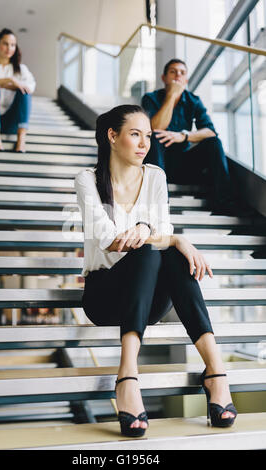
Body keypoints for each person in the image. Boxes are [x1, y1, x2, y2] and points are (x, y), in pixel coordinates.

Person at [74, 104, 237, 438]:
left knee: (171, 255)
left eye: (147, 136)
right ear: (112, 136)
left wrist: (168, 237)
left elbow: (162, 229)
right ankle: (128, 373)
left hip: (149, 301)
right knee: (157, 250)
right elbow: (108, 238)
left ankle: (215, 369)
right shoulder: (88, 181)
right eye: (135, 134)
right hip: (105, 296)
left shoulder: (156, 177)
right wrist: (167, 237)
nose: (144, 143)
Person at [141, 58, 235, 214]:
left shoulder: (193, 100)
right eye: (173, 72)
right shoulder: (150, 98)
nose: (178, 75)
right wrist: (171, 96)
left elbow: (210, 132)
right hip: (158, 163)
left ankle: (224, 203)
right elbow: (155, 127)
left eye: (182, 73)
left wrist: (183, 136)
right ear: (164, 78)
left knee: (214, 143)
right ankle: (160, 203)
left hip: (184, 165)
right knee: (155, 136)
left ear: (186, 79)